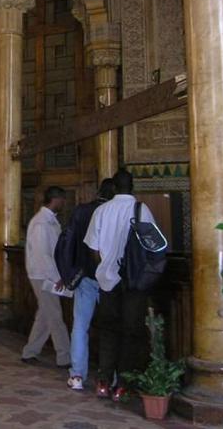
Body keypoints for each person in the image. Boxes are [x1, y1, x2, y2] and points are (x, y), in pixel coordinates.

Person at [85, 169, 156, 401]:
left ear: (113, 188)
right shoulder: (141, 210)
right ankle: (123, 385)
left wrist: (104, 269)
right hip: (134, 283)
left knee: (108, 330)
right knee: (131, 332)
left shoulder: (102, 211)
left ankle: (104, 381)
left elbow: (93, 247)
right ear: (132, 186)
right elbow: (152, 246)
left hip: (107, 281)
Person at [65, 178, 115, 391]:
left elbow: (69, 242)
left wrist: (69, 272)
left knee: (80, 326)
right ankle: (109, 378)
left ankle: (77, 375)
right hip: (111, 279)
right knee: (110, 327)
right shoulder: (114, 212)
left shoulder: (81, 212)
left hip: (85, 276)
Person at [21, 186, 71, 367]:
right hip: (43, 275)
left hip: (47, 274)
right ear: (56, 199)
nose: (64, 203)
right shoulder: (41, 223)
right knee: (55, 316)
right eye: (62, 200)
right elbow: (43, 254)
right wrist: (56, 277)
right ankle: (65, 357)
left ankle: (30, 351)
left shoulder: (50, 221)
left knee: (45, 314)